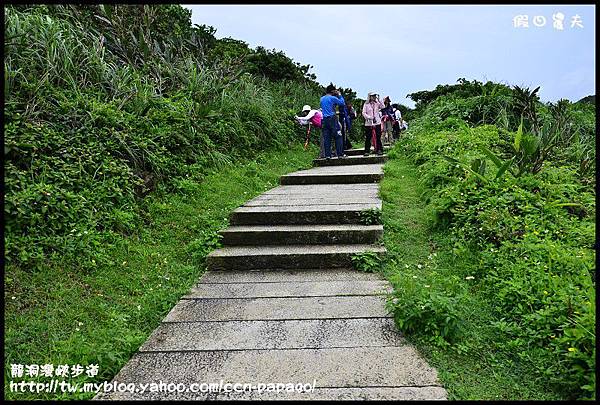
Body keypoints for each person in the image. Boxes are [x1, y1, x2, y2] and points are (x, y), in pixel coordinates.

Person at [320, 84, 347, 159]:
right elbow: (342, 103)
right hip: (332, 118)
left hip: (324, 119)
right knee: (338, 136)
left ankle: (328, 155)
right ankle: (340, 154)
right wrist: (340, 95)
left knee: (327, 138)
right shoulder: (333, 98)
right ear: (332, 91)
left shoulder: (322, 99)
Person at [362, 91, 384, 156]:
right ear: (370, 97)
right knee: (368, 137)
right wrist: (369, 117)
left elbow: (383, 107)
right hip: (369, 123)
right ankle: (367, 151)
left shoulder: (377, 103)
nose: (374, 97)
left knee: (378, 136)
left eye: (375, 95)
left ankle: (379, 150)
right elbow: (363, 113)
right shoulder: (366, 104)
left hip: (377, 122)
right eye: (372, 96)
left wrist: (379, 99)